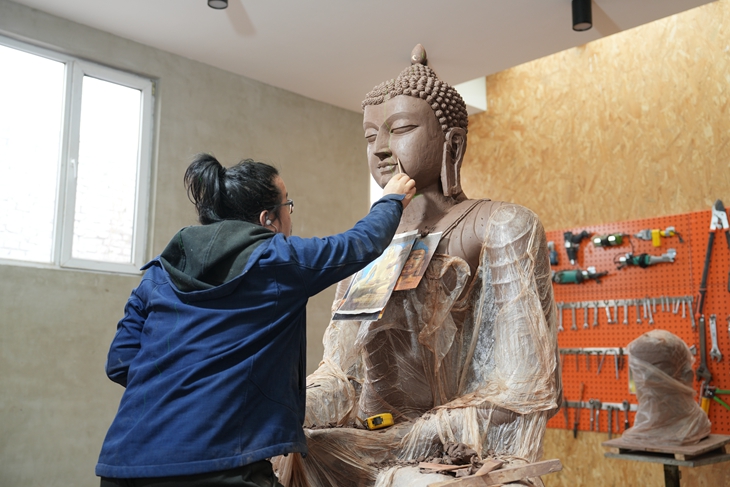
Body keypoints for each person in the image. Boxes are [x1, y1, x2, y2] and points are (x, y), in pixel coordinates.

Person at [275, 45, 561, 487]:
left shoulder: (501, 225)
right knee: (289, 452)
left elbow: (525, 381)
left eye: (401, 129)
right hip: (375, 440)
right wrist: (293, 406)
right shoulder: (365, 247)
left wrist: (429, 431)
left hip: (458, 448)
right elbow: (341, 373)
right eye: (370, 137)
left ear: (453, 142)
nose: (382, 149)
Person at [95, 153, 416, 487]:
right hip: (219, 466)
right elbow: (357, 245)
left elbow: (120, 362)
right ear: (268, 219)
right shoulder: (277, 260)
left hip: (124, 465)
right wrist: (391, 200)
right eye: (288, 206)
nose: (290, 216)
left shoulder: (159, 273)